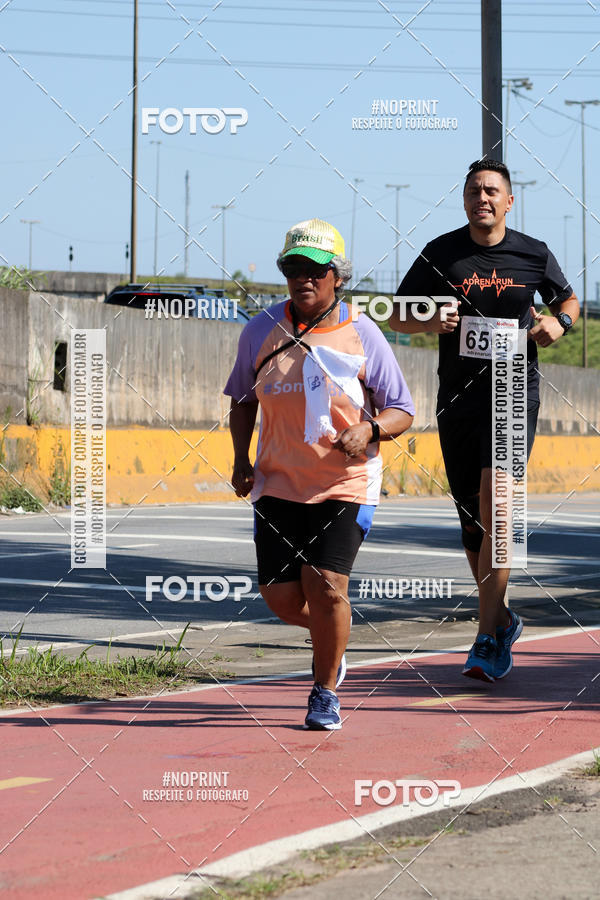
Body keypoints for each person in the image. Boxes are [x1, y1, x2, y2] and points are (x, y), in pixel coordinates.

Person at [390, 159, 579, 682]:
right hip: (457, 398)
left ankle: (486, 637)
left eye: (492, 191)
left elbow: (568, 300)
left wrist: (558, 324)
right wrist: (432, 318)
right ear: (465, 199)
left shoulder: (532, 252)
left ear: (509, 201)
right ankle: (502, 617)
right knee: (472, 522)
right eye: (475, 190)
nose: (483, 198)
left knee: (499, 505)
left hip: (514, 391)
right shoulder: (441, 252)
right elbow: (397, 311)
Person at [225, 218, 414, 729]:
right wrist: (241, 460)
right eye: (293, 268)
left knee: (327, 584)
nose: (303, 278)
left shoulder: (363, 333)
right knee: (283, 599)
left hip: (345, 483)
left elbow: (402, 409)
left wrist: (371, 430)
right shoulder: (261, 329)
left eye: (316, 269)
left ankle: (324, 689)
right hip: (278, 481)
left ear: (338, 276)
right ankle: (333, 643)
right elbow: (241, 401)